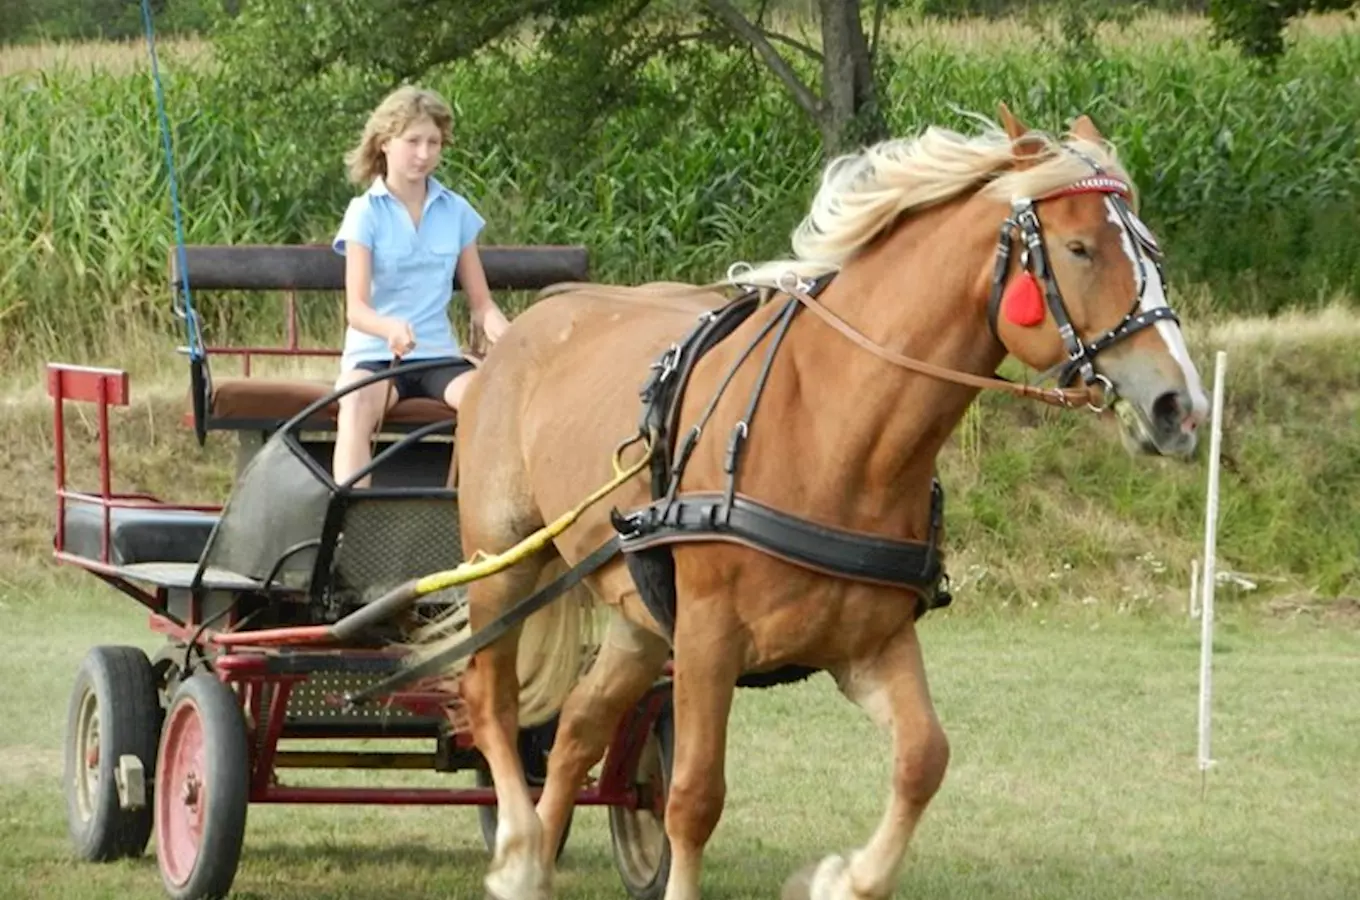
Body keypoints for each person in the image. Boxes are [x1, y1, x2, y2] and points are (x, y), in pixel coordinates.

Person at [330, 85, 510, 487]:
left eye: (433, 142)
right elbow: (356, 310)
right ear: (385, 144)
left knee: (494, 401)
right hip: (376, 357)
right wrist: (389, 327)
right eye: (413, 141)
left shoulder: (456, 210)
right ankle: (350, 520)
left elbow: (482, 306)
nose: (424, 153)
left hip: (437, 358)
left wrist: (508, 335)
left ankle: (480, 517)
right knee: (355, 403)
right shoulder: (365, 212)